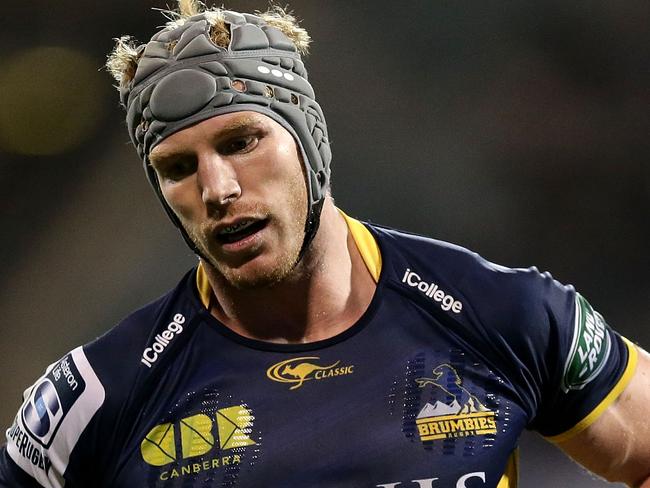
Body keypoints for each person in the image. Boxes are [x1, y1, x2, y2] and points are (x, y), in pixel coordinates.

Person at [1, 1, 649, 487]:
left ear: (310, 144)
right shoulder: (97, 399)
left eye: (241, 142)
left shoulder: (502, 314)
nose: (217, 188)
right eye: (177, 167)